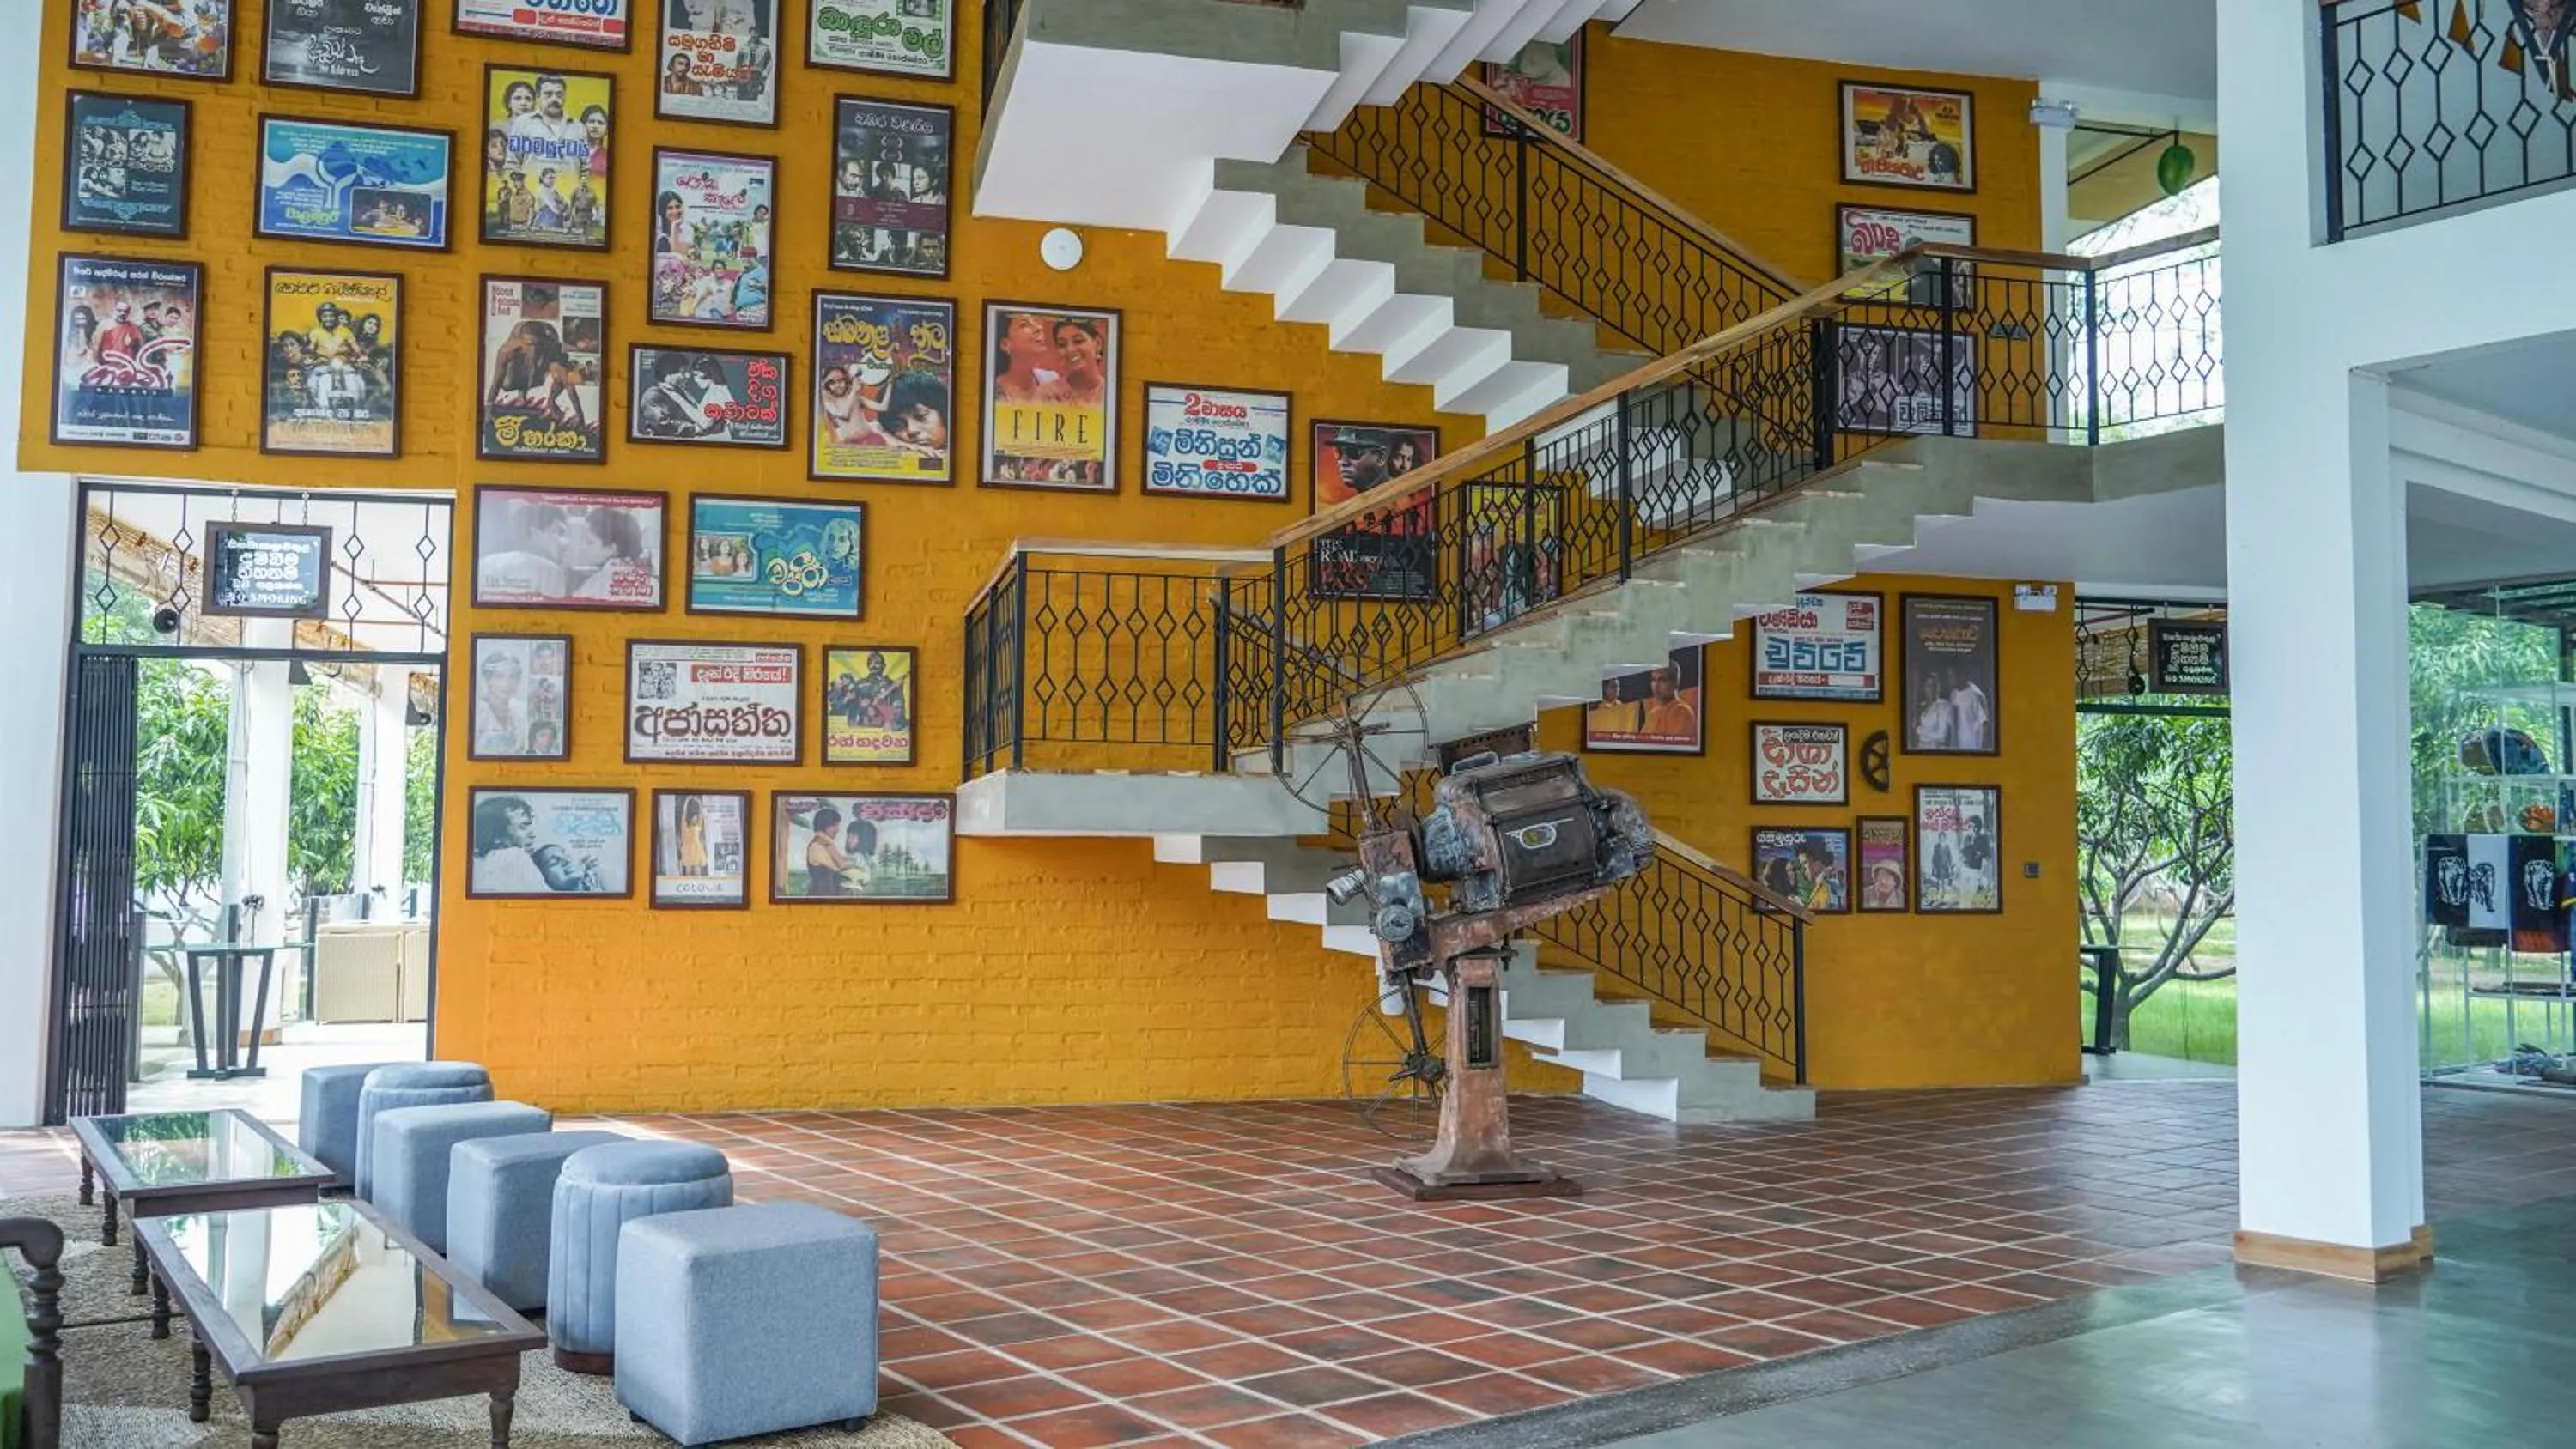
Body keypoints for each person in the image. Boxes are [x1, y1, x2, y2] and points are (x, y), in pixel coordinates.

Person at [470, 795, 551, 894]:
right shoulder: (514, 856)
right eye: (523, 826)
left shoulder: (485, 863)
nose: (533, 834)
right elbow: (545, 896)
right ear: (497, 836)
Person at [474, 648, 528, 755]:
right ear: (488, 680)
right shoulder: (478, 711)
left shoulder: (522, 710)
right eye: (499, 677)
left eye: (512, 677)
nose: (506, 684)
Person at [803, 804, 854, 897]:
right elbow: (842, 864)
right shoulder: (824, 843)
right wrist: (857, 862)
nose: (838, 829)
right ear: (825, 825)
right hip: (823, 894)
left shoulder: (820, 842)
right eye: (835, 825)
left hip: (823, 893)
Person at [1638, 665, 1696, 742]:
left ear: (1675, 683)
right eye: (1653, 680)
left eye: (1662, 680)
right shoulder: (1652, 715)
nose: (1656, 686)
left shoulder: (1682, 711)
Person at [1949, 668, 1993, 751]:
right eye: (1949, 676)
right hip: (1958, 746)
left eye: (1953, 676)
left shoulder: (1975, 694)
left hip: (1974, 746)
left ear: (1961, 675)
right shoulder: (1953, 694)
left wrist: (1984, 748)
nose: (1950, 679)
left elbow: (1985, 723)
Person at [1913, 673, 1955, 751]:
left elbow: (1942, 735)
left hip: (1936, 751)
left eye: (1935, 686)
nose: (1932, 689)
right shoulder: (1923, 706)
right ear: (1924, 689)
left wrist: (1919, 731)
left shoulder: (1944, 705)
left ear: (1939, 688)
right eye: (1929, 686)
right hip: (1921, 750)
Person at [677, 797, 708, 877]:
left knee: (697, 872)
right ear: (690, 819)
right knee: (688, 872)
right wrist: (687, 800)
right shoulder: (685, 826)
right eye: (694, 818)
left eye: (696, 818)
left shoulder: (698, 827)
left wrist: (699, 803)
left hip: (697, 850)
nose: (696, 818)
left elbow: (701, 815)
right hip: (687, 850)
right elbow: (684, 813)